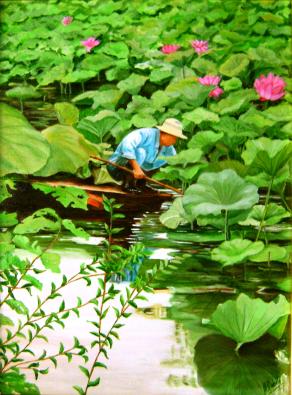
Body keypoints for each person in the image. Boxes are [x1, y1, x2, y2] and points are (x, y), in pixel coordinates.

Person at [107, 118, 187, 191]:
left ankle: (141, 184)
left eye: (175, 138)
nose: (174, 141)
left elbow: (175, 159)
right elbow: (127, 145)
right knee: (141, 152)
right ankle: (128, 184)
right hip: (117, 167)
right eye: (173, 137)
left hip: (139, 173)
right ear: (164, 133)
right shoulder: (145, 134)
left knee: (162, 159)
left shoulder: (168, 147)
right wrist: (136, 168)